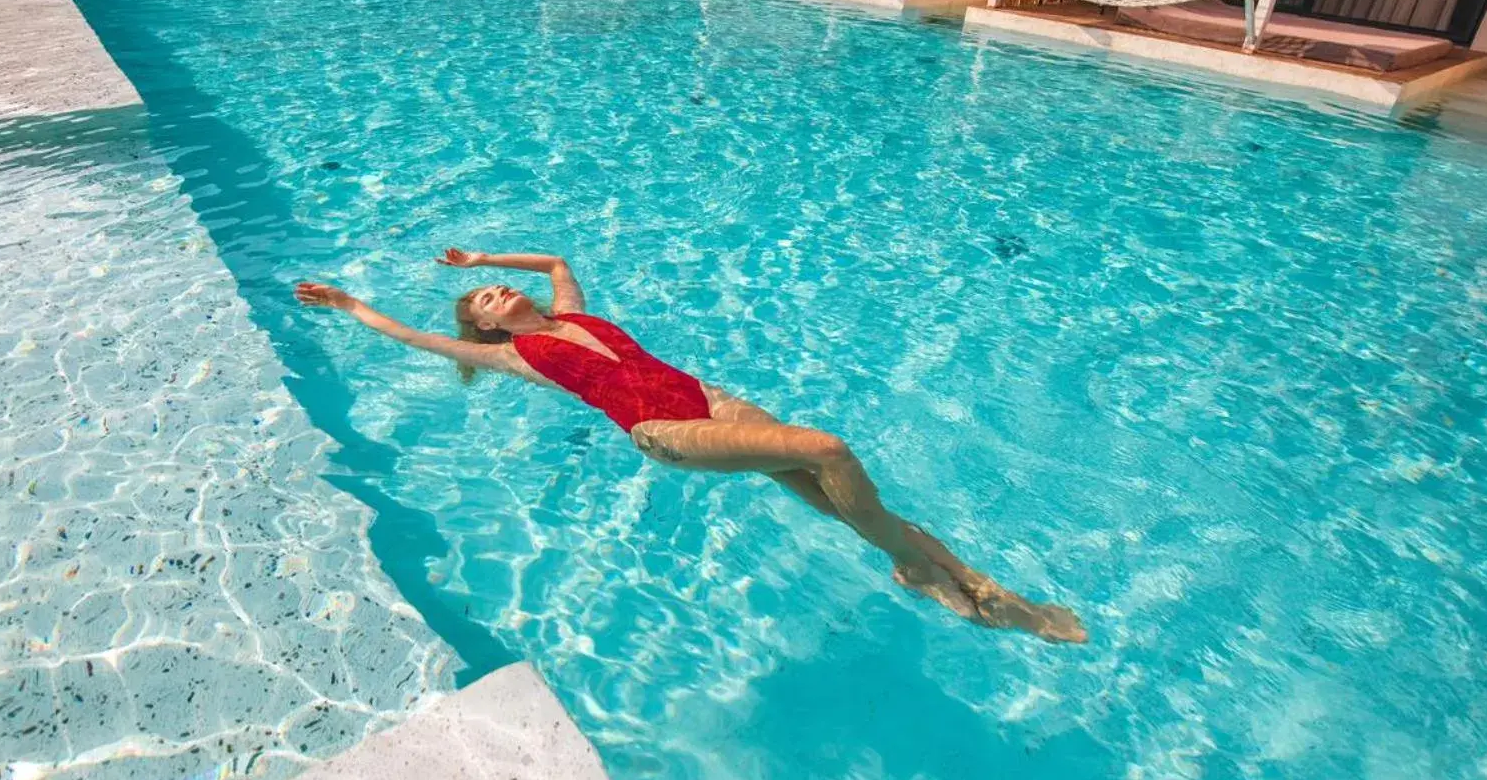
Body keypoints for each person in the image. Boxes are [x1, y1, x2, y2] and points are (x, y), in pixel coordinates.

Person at [295, 249, 1086, 643]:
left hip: (708, 398)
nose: (497, 296)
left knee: (834, 497)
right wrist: (348, 303)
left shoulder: (573, 310)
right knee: (831, 449)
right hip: (667, 431)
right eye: (484, 302)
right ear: (488, 328)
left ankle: (927, 572)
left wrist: (480, 258)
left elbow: (559, 259)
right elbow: (411, 337)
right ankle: (958, 577)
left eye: (498, 290)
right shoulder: (510, 354)